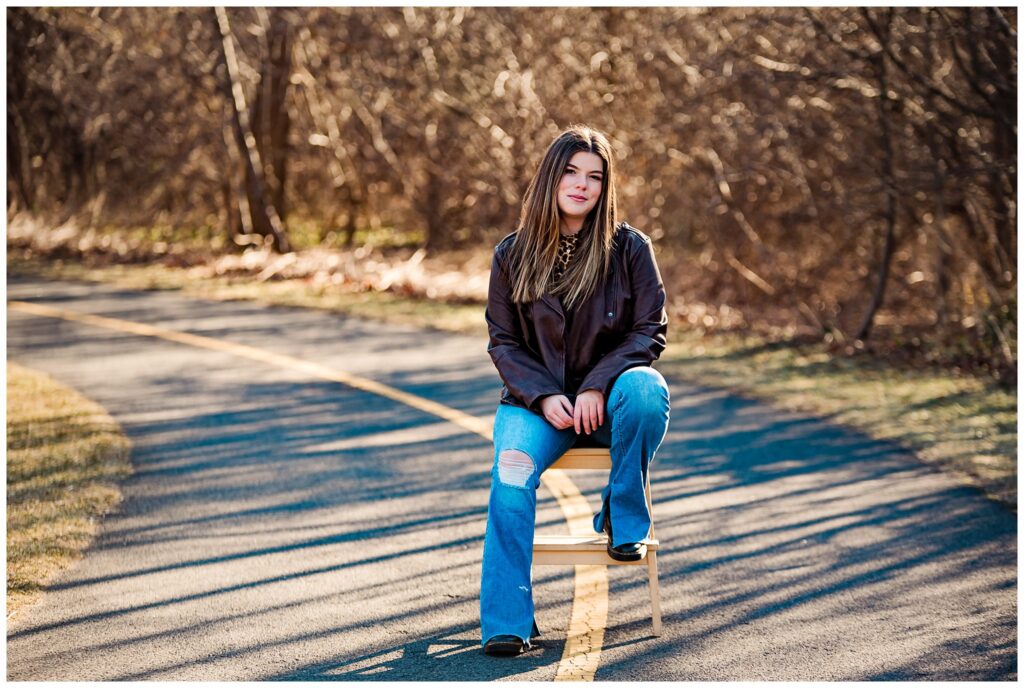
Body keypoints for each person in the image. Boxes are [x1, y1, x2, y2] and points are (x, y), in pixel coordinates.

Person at [480, 124, 671, 656]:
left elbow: (648, 331)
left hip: (609, 404)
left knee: (646, 390)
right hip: (535, 407)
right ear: (550, 177)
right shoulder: (512, 254)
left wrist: (594, 386)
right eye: (571, 172)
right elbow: (504, 343)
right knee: (511, 474)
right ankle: (507, 621)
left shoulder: (630, 249)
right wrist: (544, 396)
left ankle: (622, 513)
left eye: (595, 176)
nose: (582, 185)